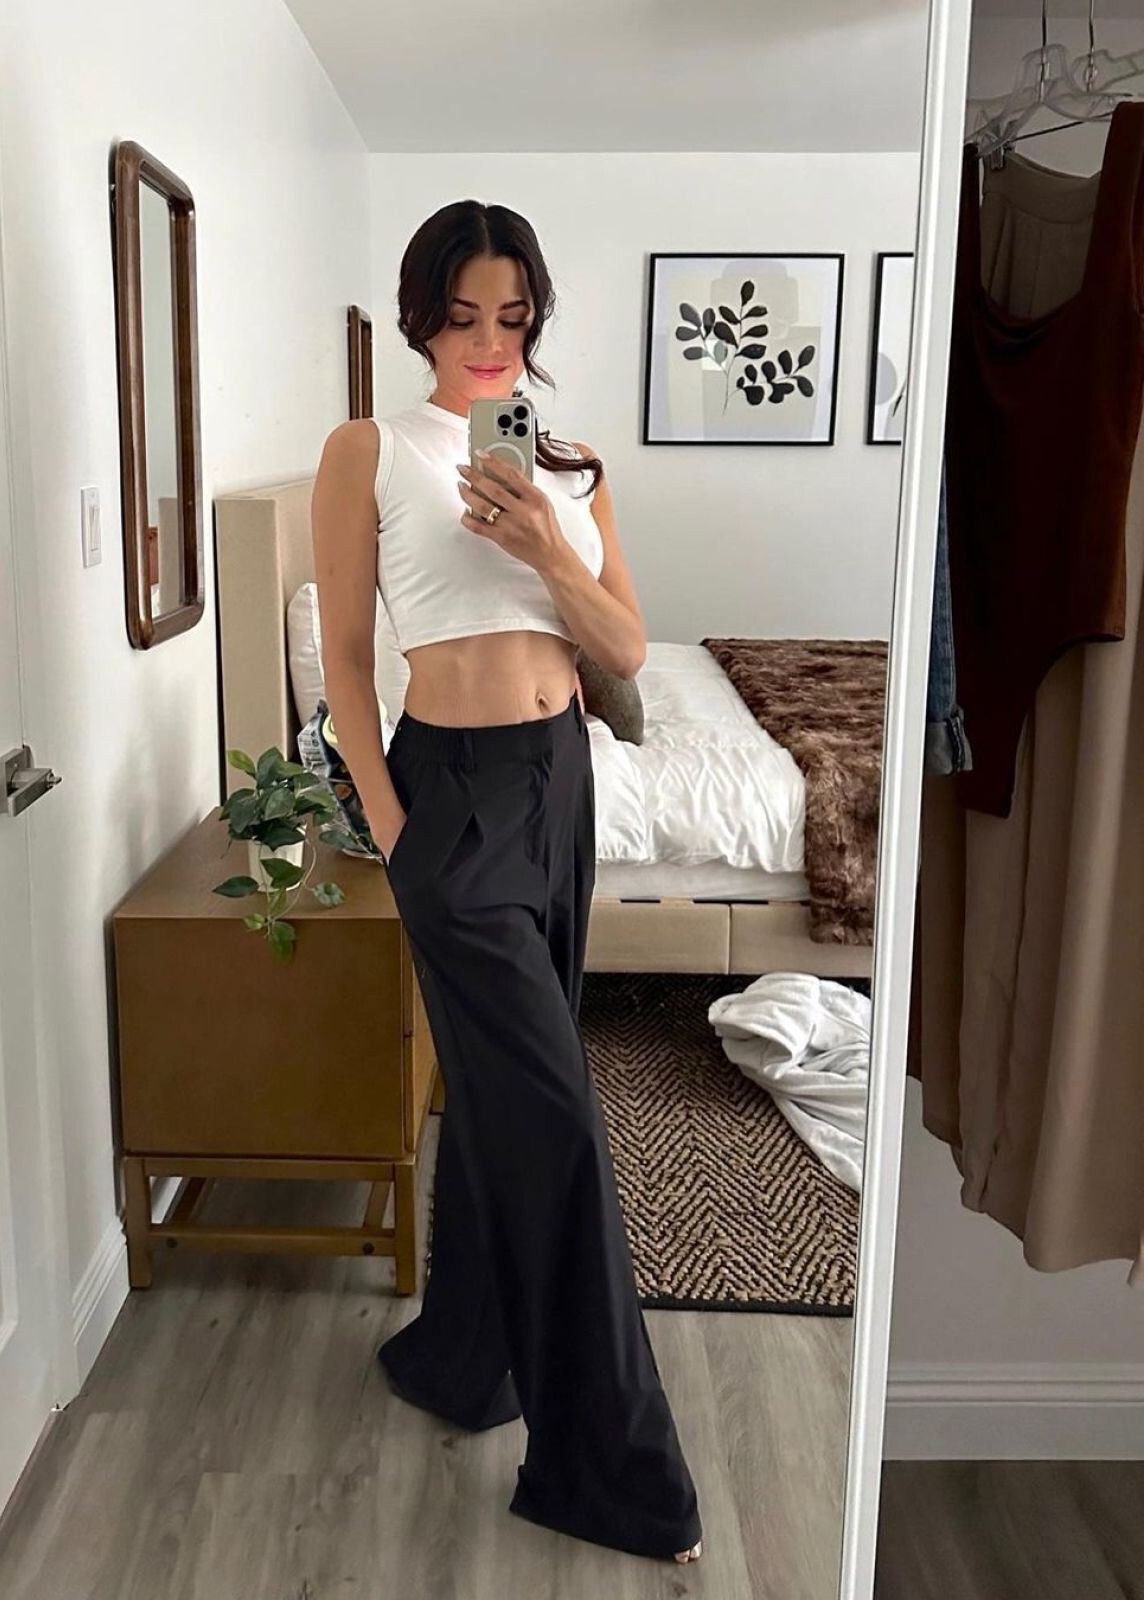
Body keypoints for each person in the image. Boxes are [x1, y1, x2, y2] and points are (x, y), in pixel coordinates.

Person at [310, 199, 703, 1566]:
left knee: (500, 1100)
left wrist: (544, 541)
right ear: (421, 317)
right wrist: (393, 826)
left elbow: (628, 651)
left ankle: (465, 1357)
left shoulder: (575, 466)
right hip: (453, 797)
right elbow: (345, 662)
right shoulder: (368, 450)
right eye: (463, 317)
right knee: (561, 1126)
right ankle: (614, 1472)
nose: (490, 345)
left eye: (514, 318)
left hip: (560, 784)